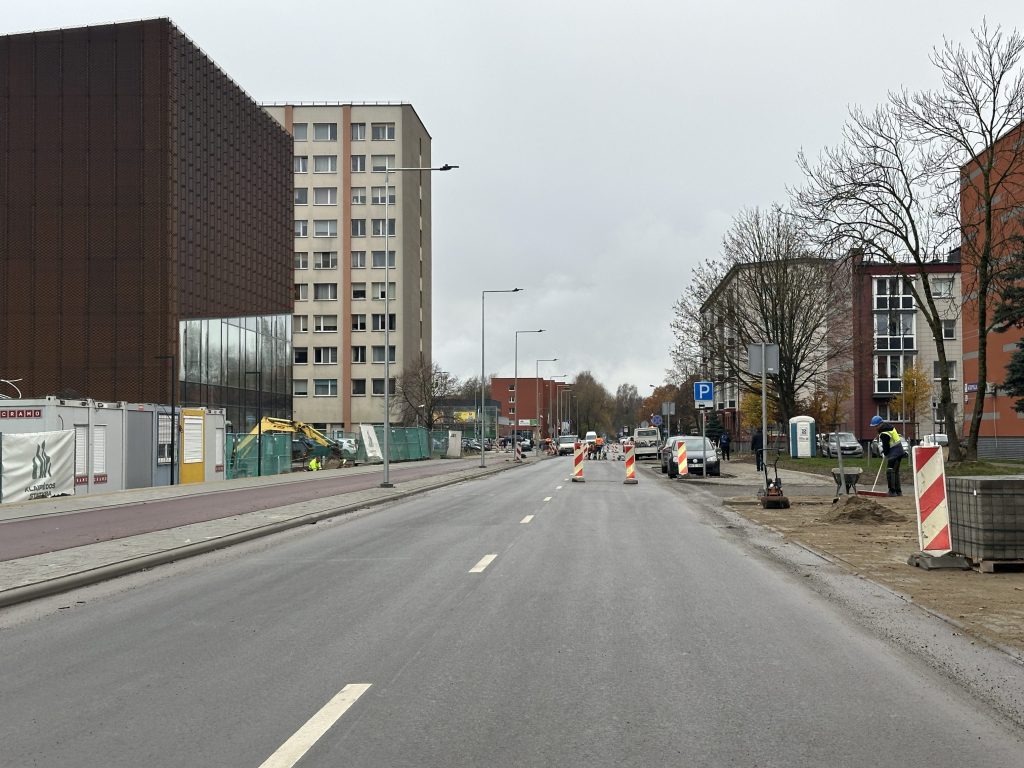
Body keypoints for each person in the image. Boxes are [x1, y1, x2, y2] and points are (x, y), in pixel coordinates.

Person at [871, 415, 906, 496]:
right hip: (899, 451)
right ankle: (898, 491)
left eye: (876, 426)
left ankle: (892, 491)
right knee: (895, 471)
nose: (875, 428)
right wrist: (885, 451)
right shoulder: (890, 427)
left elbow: (886, 445)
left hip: (894, 453)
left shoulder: (884, 433)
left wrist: (884, 453)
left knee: (890, 471)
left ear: (880, 424)